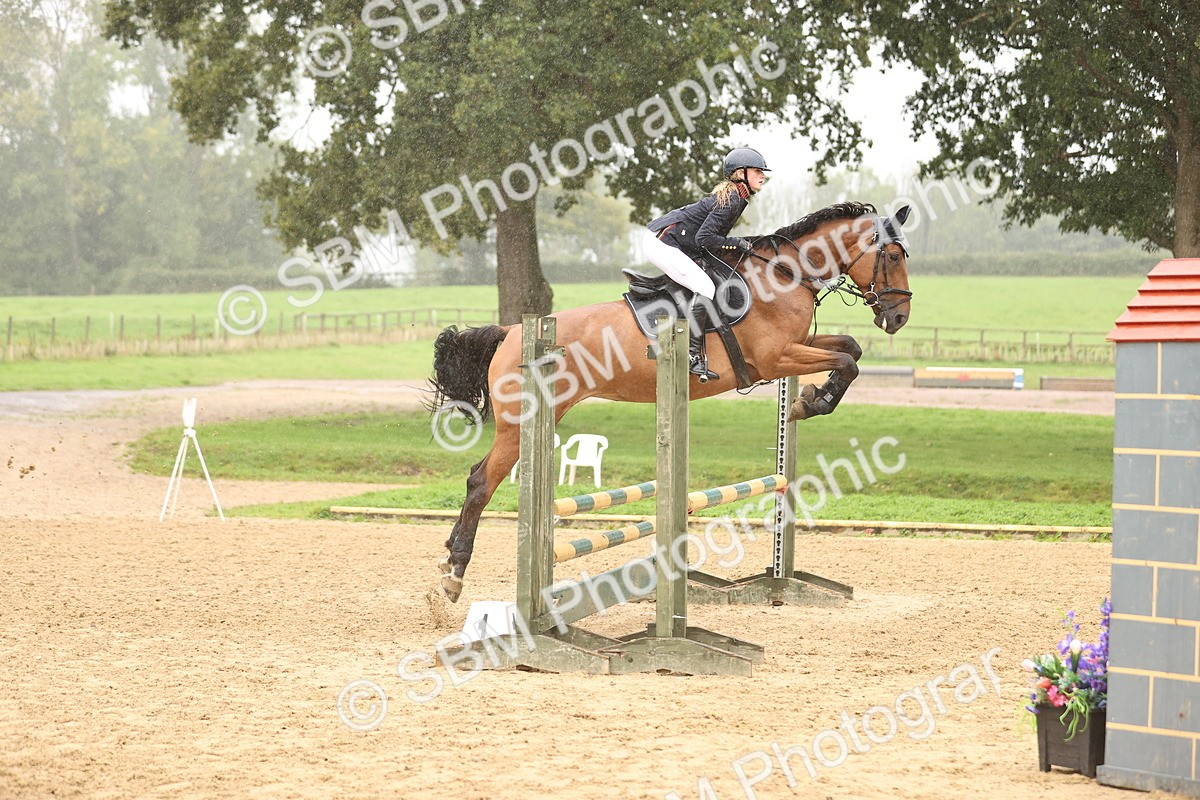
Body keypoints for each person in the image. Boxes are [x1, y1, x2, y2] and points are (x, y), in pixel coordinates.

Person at [644, 147, 769, 381]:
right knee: (706, 287)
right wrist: (737, 243)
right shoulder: (732, 198)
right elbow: (705, 238)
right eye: (757, 171)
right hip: (661, 242)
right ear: (740, 173)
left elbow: (707, 239)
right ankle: (691, 356)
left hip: (674, 241)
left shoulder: (737, 198)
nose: (762, 176)